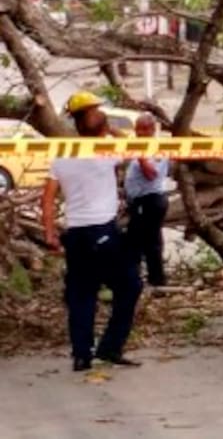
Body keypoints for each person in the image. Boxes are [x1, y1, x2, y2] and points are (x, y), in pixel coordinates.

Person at [41, 91, 142, 372]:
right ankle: (109, 347)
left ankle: (82, 355)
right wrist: (108, 130)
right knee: (130, 286)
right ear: (91, 120)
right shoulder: (106, 149)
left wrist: (49, 233)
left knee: (81, 294)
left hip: (76, 236)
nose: (101, 114)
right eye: (96, 111)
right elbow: (133, 145)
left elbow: (47, 198)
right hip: (102, 232)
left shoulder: (63, 154)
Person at [124, 114, 170, 289]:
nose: (139, 133)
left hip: (150, 199)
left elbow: (151, 174)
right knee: (143, 239)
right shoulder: (140, 145)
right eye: (137, 128)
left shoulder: (157, 149)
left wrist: (140, 156)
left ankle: (154, 280)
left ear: (152, 130)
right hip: (139, 200)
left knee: (144, 240)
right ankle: (145, 278)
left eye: (143, 129)